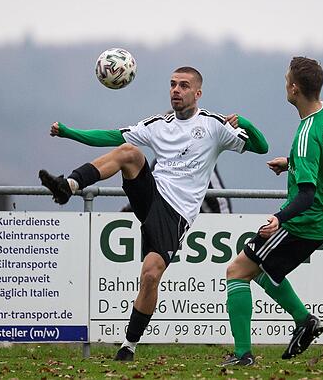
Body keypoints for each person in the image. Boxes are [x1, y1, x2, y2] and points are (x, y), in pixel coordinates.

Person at [38, 66, 268, 361]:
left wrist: (245, 121)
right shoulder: (159, 124)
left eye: (184, 86)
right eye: (173, 84)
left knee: (150, 275)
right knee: (130, 152)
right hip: (151, 197)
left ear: (197, 93)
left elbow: (261, 147)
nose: (176, 90)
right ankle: (68, 185)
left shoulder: (213, 126)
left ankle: (128, 346)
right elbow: (110, 135)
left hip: (176, 215)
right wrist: (70, 133)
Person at [222, 57, 323, 366]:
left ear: (293, 88)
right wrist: (291, 164)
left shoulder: (306, 135)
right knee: (262, 271)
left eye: (285, 80)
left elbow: (306, 194)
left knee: (237, 271)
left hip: (305, 221)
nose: (284, 84)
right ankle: (305, 322)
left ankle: (243, 356)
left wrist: (279, 219)